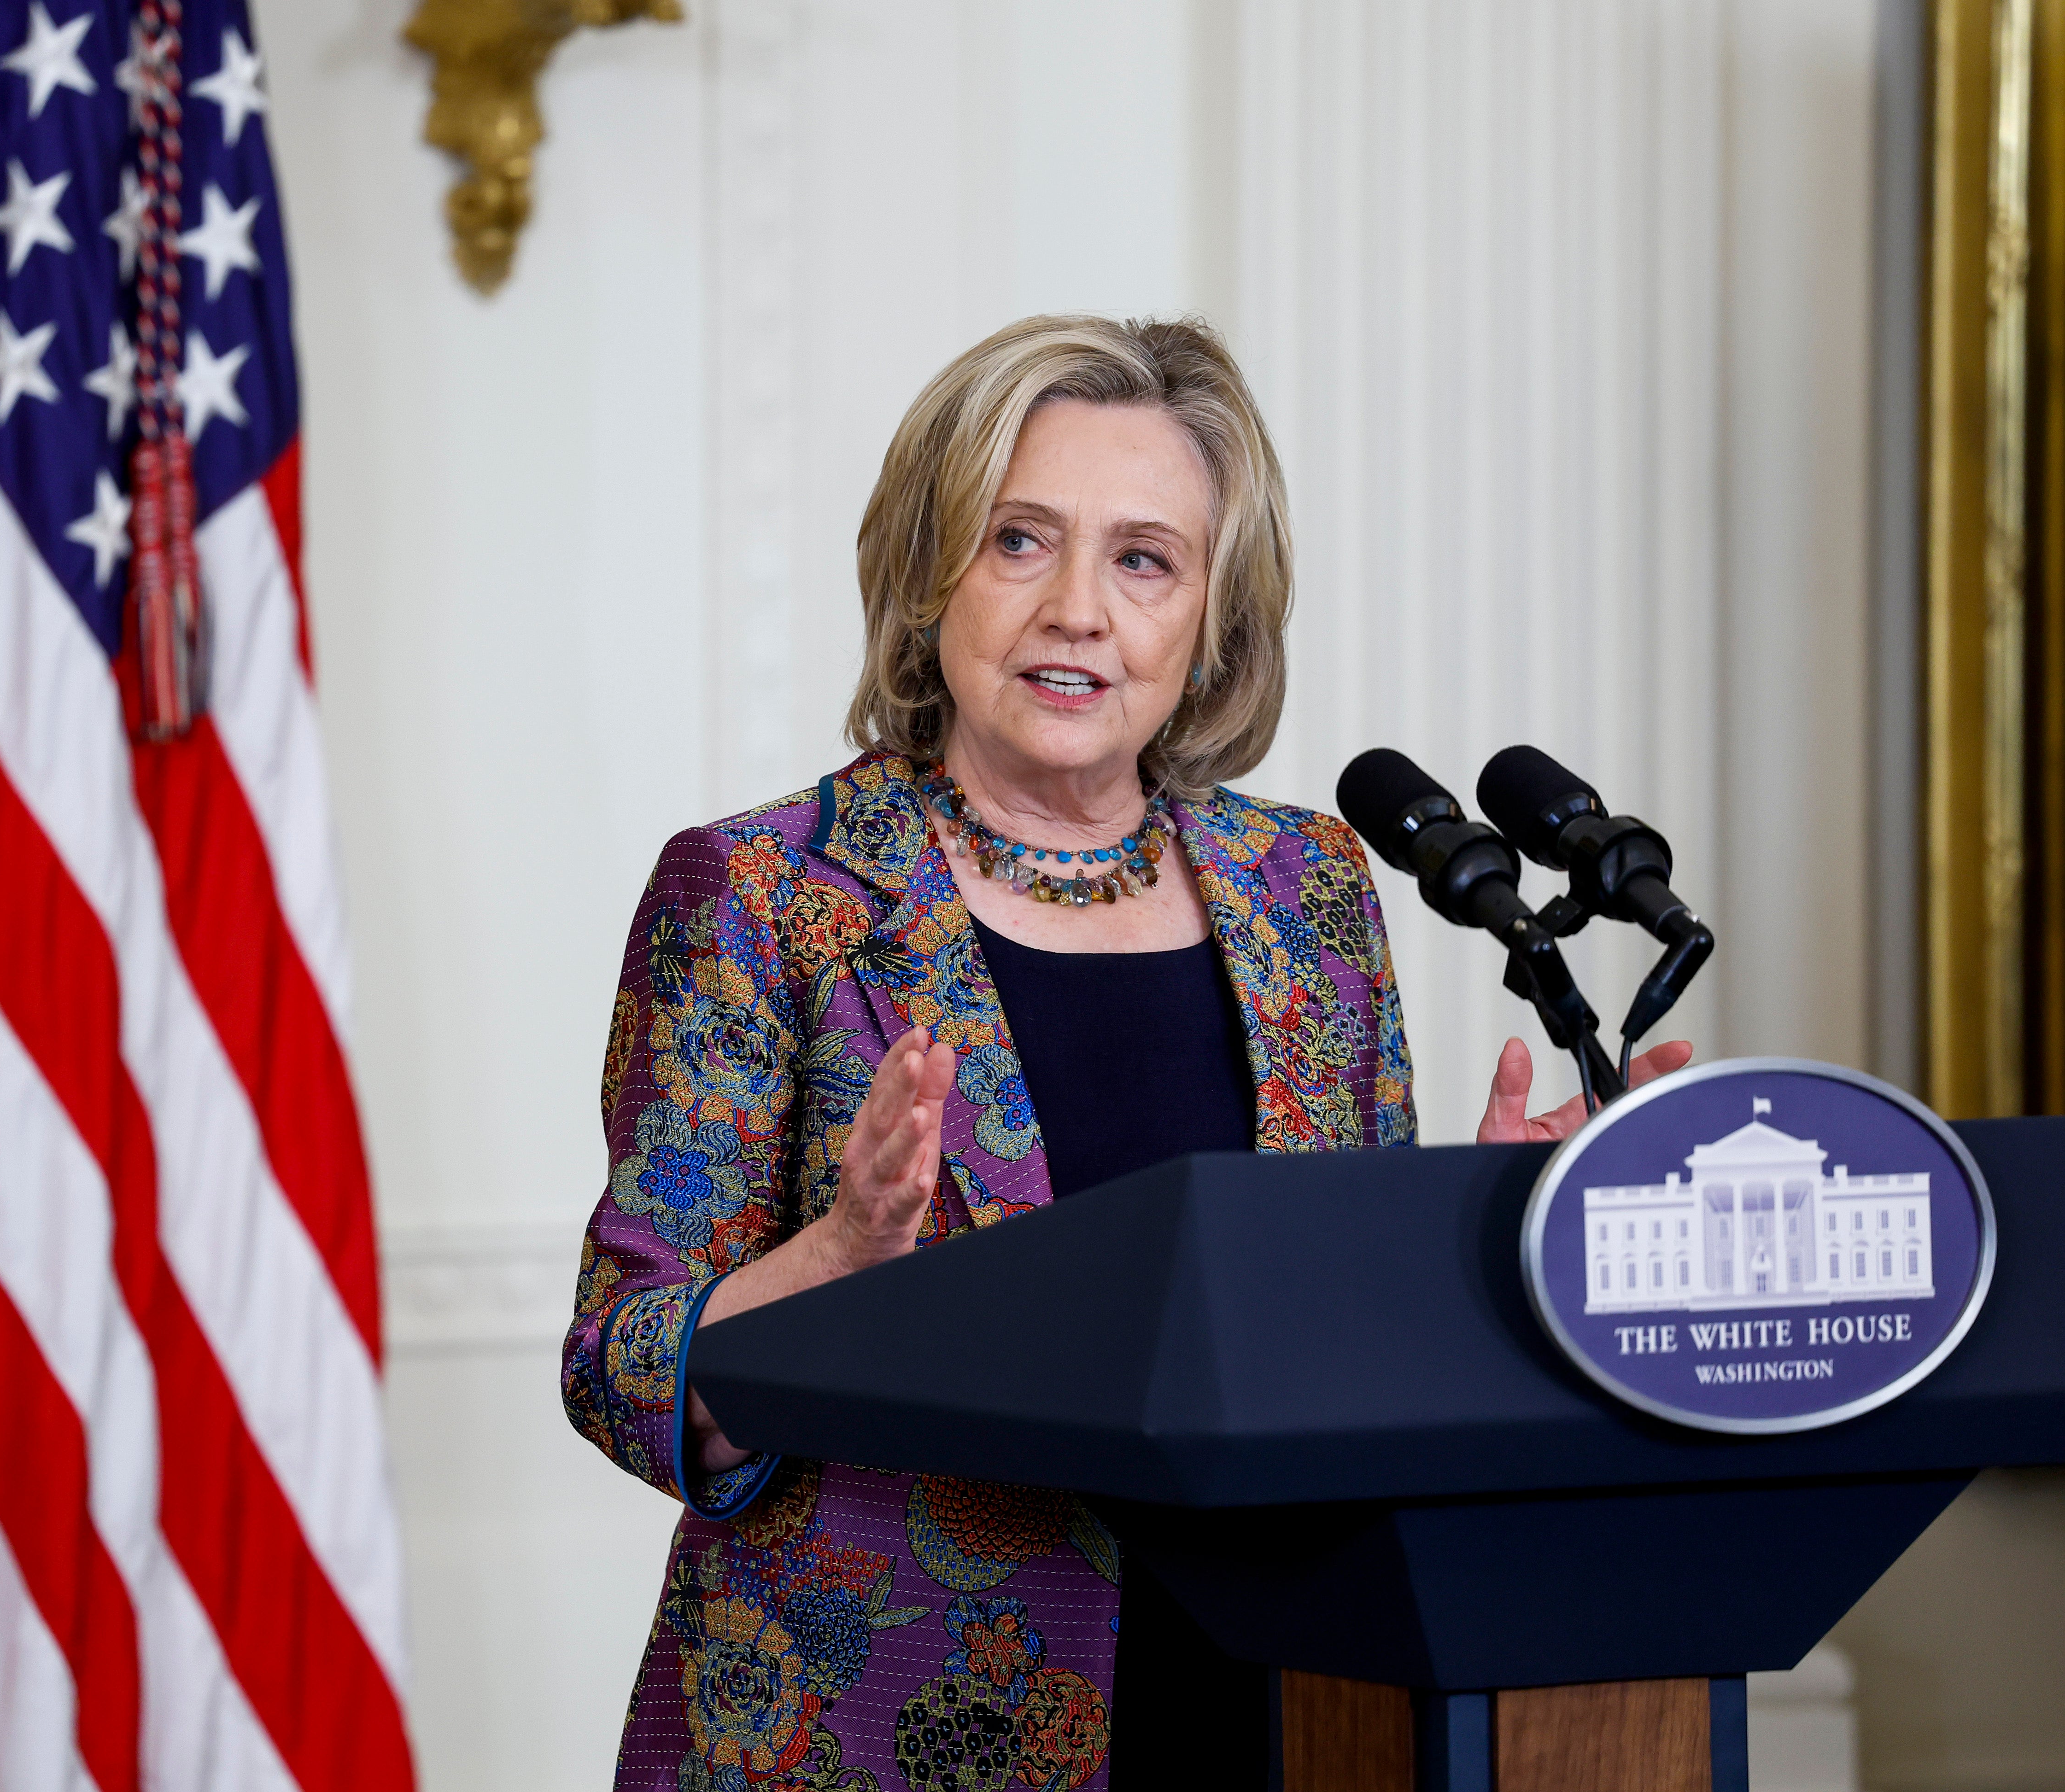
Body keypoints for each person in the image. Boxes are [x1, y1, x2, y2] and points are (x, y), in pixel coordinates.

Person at [561, 314, 1688, 1792]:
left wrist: (1479, 1237)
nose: (1077, 610)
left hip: (1284, 1701)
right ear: (929, 576)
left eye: (1143, 559)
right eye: (1020, 541)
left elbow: (1330, 1341)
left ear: (1212, 619)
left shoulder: (1315, 893)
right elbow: (620, 1363)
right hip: (882, 1725)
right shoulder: (768, 894)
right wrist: (833, 1264)